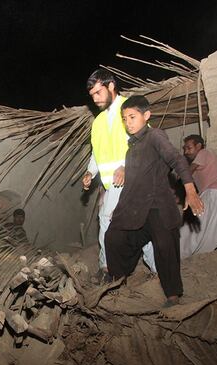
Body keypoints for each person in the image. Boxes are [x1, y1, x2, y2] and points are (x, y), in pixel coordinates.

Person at [104, 96, 204, 307]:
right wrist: (119, 210)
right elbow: (131, 185)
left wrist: (190, 189)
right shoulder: (131, 149)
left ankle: (173, 296)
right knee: (113, 237)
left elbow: (176, 159)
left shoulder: (155, 136)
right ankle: (117, 281)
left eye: (132, 117)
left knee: (164, 244)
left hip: (158, 206)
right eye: (124, 118)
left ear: (146, 115)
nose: (128, 122)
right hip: (136, 209)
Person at [81, 69, 155, 281]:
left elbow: (144, 142)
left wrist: (126, 166)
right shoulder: (98, 122)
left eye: (98, 92)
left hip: (134, 178)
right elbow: (97, 152)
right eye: (92, 95)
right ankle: (111, 268)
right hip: (112, 184)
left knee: (136, 222)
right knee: (119, 222)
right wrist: (90, 171)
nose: (95, 99)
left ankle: (109, 268)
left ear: (111, 86)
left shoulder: (130, 109)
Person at [179, 134, 217, 258]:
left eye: (189, 148)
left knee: (194, 225)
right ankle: (201, 254)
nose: (186, 152)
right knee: (210, 228)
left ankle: (181, 252)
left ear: (199, 146)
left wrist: (179, 170)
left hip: (213, 193)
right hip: (215, 194)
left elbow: (186, 173)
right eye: (184, 149)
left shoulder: (205, 153)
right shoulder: (201, 163)